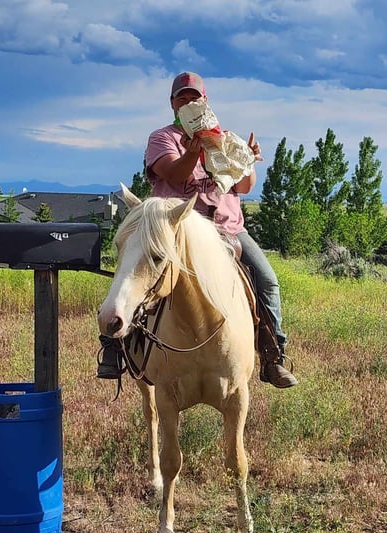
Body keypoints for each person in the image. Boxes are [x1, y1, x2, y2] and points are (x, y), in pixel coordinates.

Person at [97, 71, 297, 389]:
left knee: (267, 280)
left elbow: (243, 185)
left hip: (227, 229)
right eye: (183, 98)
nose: (189, 103)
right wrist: (192, 152)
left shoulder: (224, 137)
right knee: (135, 271)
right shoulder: (162, 138)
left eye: (195, 98)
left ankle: (273, 357)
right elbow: (174, 177)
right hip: (175, 229)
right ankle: (115, 347)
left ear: (205, 101)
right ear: (173, 103)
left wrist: (249, 163)